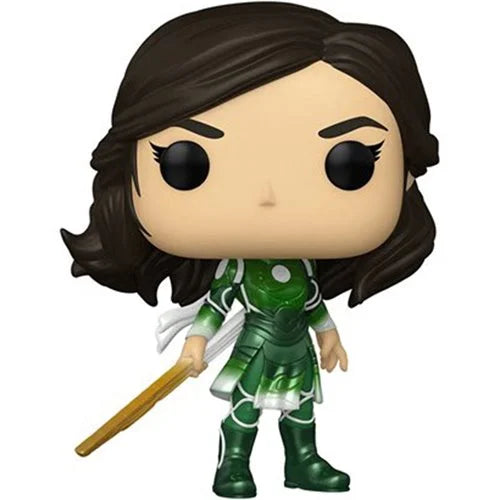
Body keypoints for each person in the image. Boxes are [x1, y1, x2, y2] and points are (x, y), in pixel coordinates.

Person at [62, 2, 439, 497]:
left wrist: (329, 337)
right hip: (257, 345)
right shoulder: (239, 270)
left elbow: (311, 302)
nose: (267, 197)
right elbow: (217, 305)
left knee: (301, 407)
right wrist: (196, 343)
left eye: (348, 164)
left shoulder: (302, 268)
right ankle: (233, 464)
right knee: (245, 406)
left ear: (406, 175)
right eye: (185, 163)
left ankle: (303, 462)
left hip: (295, 347)